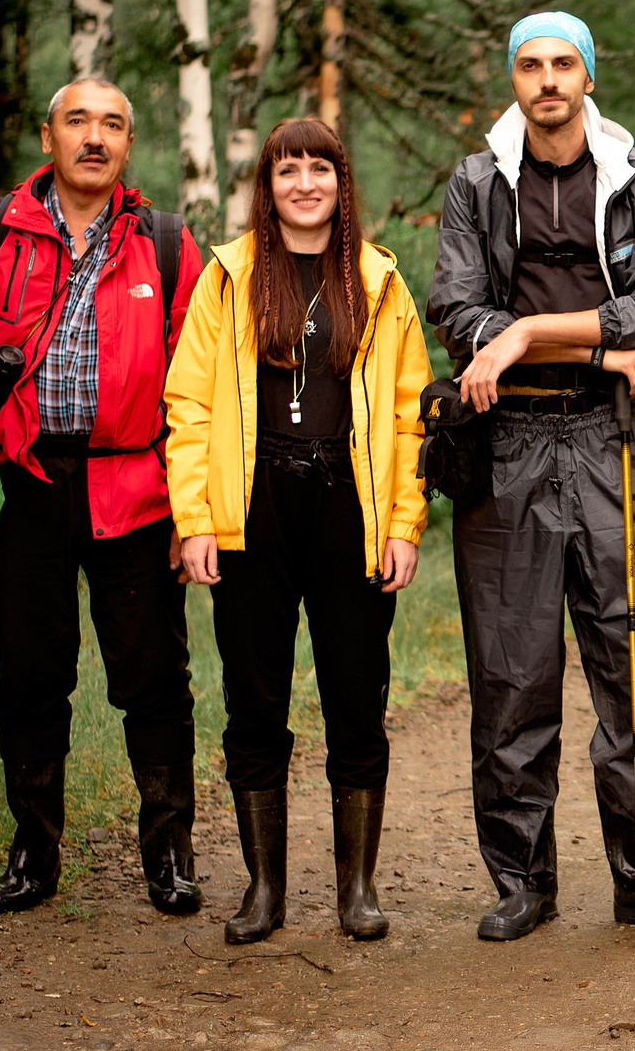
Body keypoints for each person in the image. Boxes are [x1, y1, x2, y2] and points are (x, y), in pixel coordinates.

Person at [426, 11, 635, 941]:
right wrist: (598, 346)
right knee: (513, 673)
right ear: (513, 79)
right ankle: (522, 882)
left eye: (565, 64)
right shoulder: (477, 183)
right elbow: (454, 308)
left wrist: (527, 333)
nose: (548, 79)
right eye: (531, 64)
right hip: (508, 443)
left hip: (616, 442)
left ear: (590, 77)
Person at [0, 80, 205, 917]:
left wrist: (197, 511)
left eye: (112, 124)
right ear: (48, 137)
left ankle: (170, 854)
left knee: (154, 679)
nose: (94, 136)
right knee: (32, 678)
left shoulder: (167, 243)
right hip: (26, 486)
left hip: (136, 488)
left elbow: (197, 392)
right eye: (78, 121)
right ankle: (34, 853)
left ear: (128, 145)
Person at [163, 119, 433, 943]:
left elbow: (406, 412)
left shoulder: (379, 282)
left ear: (340, 181)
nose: (305, 182)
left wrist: (405, 522)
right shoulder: (229, 276)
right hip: (253, 511)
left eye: (321, 167)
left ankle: (357, 889)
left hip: (351, 507)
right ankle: (264, 890)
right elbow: (190, 404)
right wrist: (195, 518)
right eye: (289, 169)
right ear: (268, 183)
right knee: (255, 701)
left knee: (357, 699)